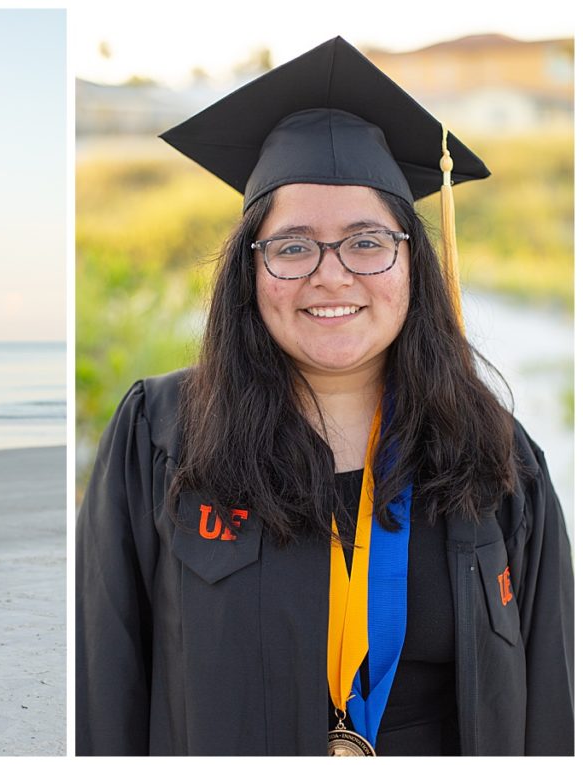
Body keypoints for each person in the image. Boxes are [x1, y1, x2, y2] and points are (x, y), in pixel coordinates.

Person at [76, 38, 572, 756]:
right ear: (251, 268)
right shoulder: (161, 434)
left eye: (367, 242)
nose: (331, 275)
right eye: (293, 245)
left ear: (412, 261)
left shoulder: (494, 453)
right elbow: (106, 684)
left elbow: (547, 705)